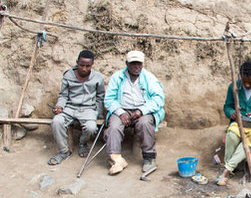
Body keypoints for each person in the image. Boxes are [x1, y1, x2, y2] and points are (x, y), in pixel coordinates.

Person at [104, 50, 165, 178]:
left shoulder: (149, 78)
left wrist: (141, 110)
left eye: (139, 64)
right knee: (114, 126)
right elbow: (109, 99)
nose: (136, 67)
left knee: (144, 123)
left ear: (142, 64)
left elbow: (159, 98)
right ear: (127, 63)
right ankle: (116, 159)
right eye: (133, 64)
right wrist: (120, 113)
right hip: (122, 109)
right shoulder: (117, 77)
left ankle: (149, 158)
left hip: (144, 109)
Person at [49, 50, 105, 165]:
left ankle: (82, 143)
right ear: (77, 63)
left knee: (91, 127)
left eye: (88, 66)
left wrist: (99, 113)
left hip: (88, 109)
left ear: (92, 65)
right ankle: (64, 151)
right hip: (70, 107)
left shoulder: (97, 77)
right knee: (56, 121)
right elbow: (63, 95)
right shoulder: (68, 75)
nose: (84, 68)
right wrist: (60, 106)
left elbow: (100, 96)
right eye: (81, 65)